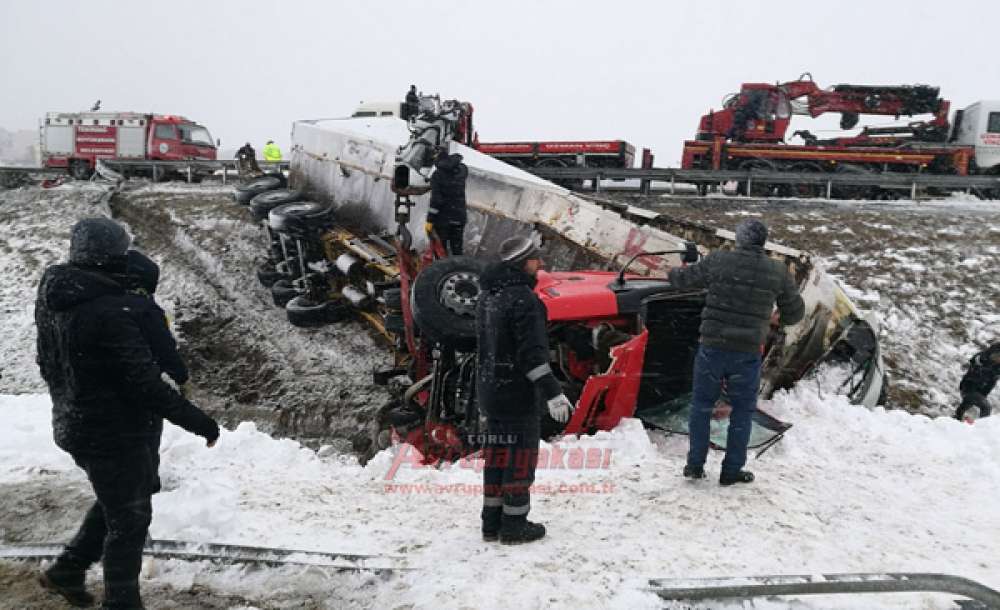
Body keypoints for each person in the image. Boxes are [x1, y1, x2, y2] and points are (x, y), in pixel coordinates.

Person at [34, 218, 220, 609]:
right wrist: (197, 421)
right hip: (115, 432)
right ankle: (121, 603)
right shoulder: (111, 309)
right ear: (109, 256)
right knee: (129, 520)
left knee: (122, 498)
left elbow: (46, 360)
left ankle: (68, 569)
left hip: (75, 420)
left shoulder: (57, 293)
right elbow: (145, 383)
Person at [667, 219, 804, 486]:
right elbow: (795, 313)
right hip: (747, 354)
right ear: (762, 242)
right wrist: (778, 318)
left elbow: (683, 280)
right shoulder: (777, 271)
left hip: (712, 348)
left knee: (701, 406)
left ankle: (695, 465)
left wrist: (672, 271)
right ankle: (731, 471)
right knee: (742, 411)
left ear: (739, 239)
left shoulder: (719, 260)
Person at [476, 235, 574, 544]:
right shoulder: (525, 300)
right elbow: (531, 355)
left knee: (497, 457)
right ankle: (515, 524)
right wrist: (553, 392)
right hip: (516, 395)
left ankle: (491, 522)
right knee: (520, 457)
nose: (540, 264)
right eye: (536, 259)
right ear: (523, 263)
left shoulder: (488, 296)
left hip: (490, 392)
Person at [425, 149, 468, 256]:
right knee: (457, 250)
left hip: (443, 220)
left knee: (440, 250)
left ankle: (443, 271)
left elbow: (437, 200)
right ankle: (458, 269)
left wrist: (429, 220)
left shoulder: (437, 175)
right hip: (459, 217)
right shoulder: (461, 171)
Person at [956, 342, 1000, 421]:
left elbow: (991, 384)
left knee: (967, 405)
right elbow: (974, 361)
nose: (998, 359)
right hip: (968, 388)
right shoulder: (982, 359)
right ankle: (982, 428)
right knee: (986, 407)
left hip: (980, 393)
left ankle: (956, 419)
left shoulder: (997, 368)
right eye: (997, 356)